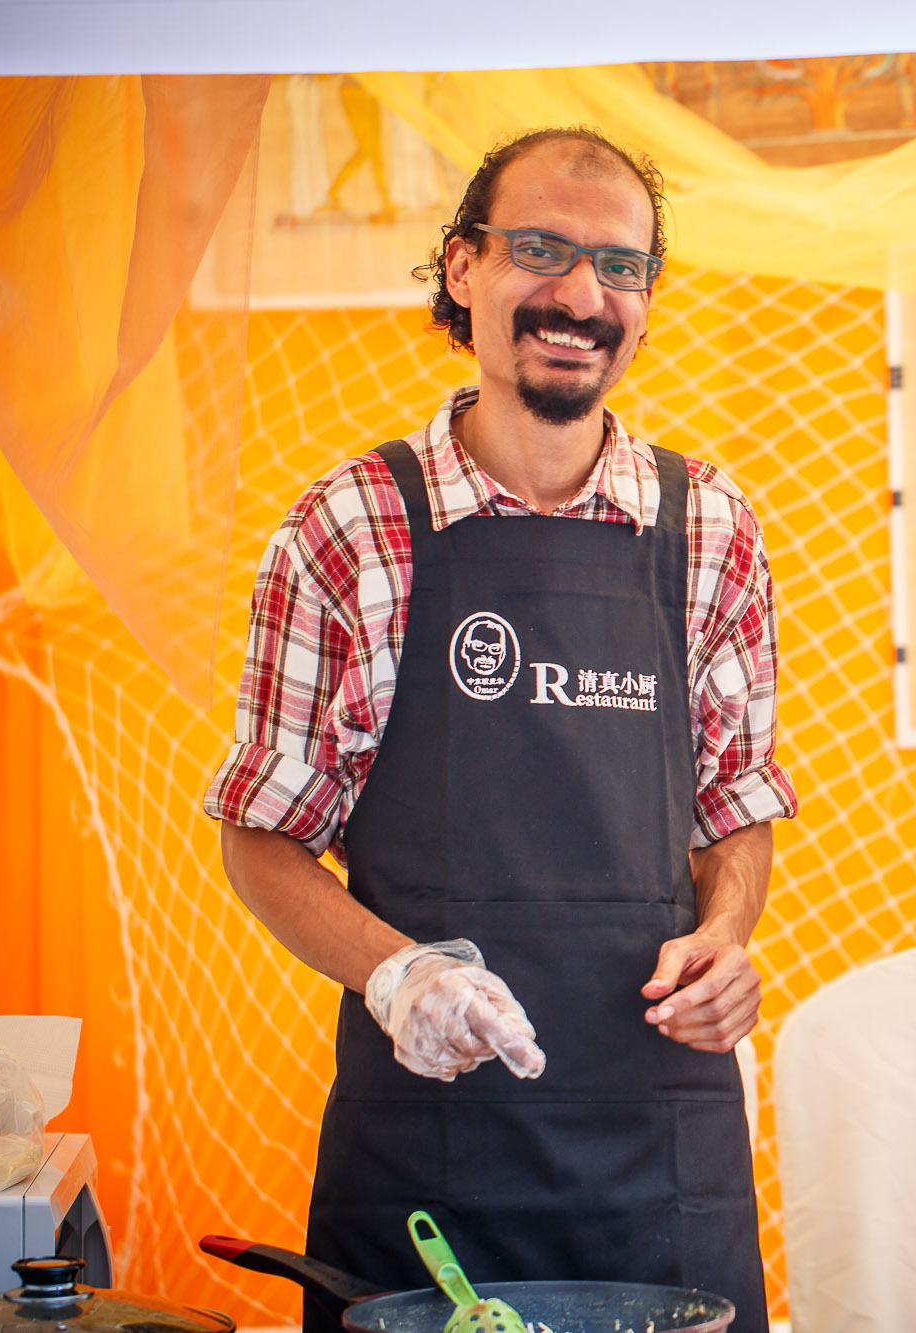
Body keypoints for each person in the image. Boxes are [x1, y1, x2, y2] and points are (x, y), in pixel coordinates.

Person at [202, 126, 795, 1332]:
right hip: (427, 1167)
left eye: (619, 266)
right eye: (540, 250)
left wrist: (724, 936)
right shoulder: (348, 526)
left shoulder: (711, 527)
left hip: (660, 1169)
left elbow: (735, 806)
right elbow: (260, 837)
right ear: (462, 267)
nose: (580, 295)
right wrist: (399, 973)